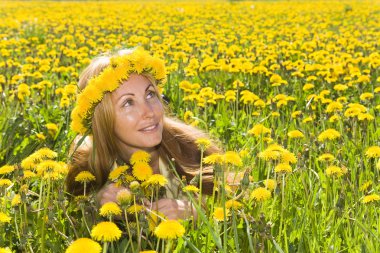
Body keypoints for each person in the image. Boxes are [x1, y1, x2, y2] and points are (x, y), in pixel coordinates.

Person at [65, 48, 220, 220]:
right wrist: (96, 201)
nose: (149, 112)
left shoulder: (193, 149)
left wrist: (199, 213)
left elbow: (238, 205)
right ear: (103, 120)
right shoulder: (86, 168)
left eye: (150, 94)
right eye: (128, 103)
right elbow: (71, 210)